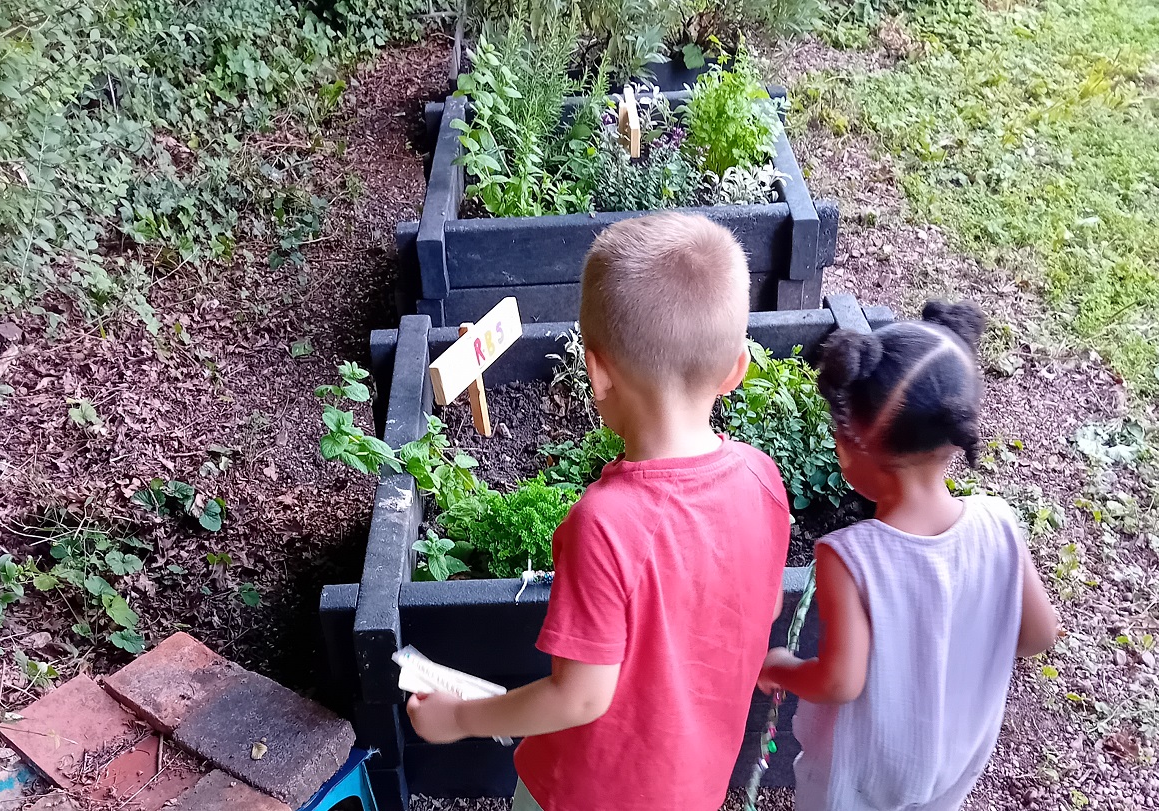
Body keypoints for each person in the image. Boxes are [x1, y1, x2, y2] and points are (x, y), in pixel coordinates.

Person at [406, 212, 791, 811]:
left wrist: (461, 718)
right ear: (737, 369)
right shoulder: (762, 478)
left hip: (587, 793)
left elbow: (580, 698)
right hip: (696, 786)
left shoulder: (605, 524)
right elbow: (762, 609)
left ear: (597, 371)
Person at [757, 300, 1060, 811]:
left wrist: (779, 665)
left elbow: (838, 681)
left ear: (852, 447)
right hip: (953, 763)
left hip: (860, 777)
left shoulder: (849, 557)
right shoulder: (999, 522)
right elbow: (1038, 634)